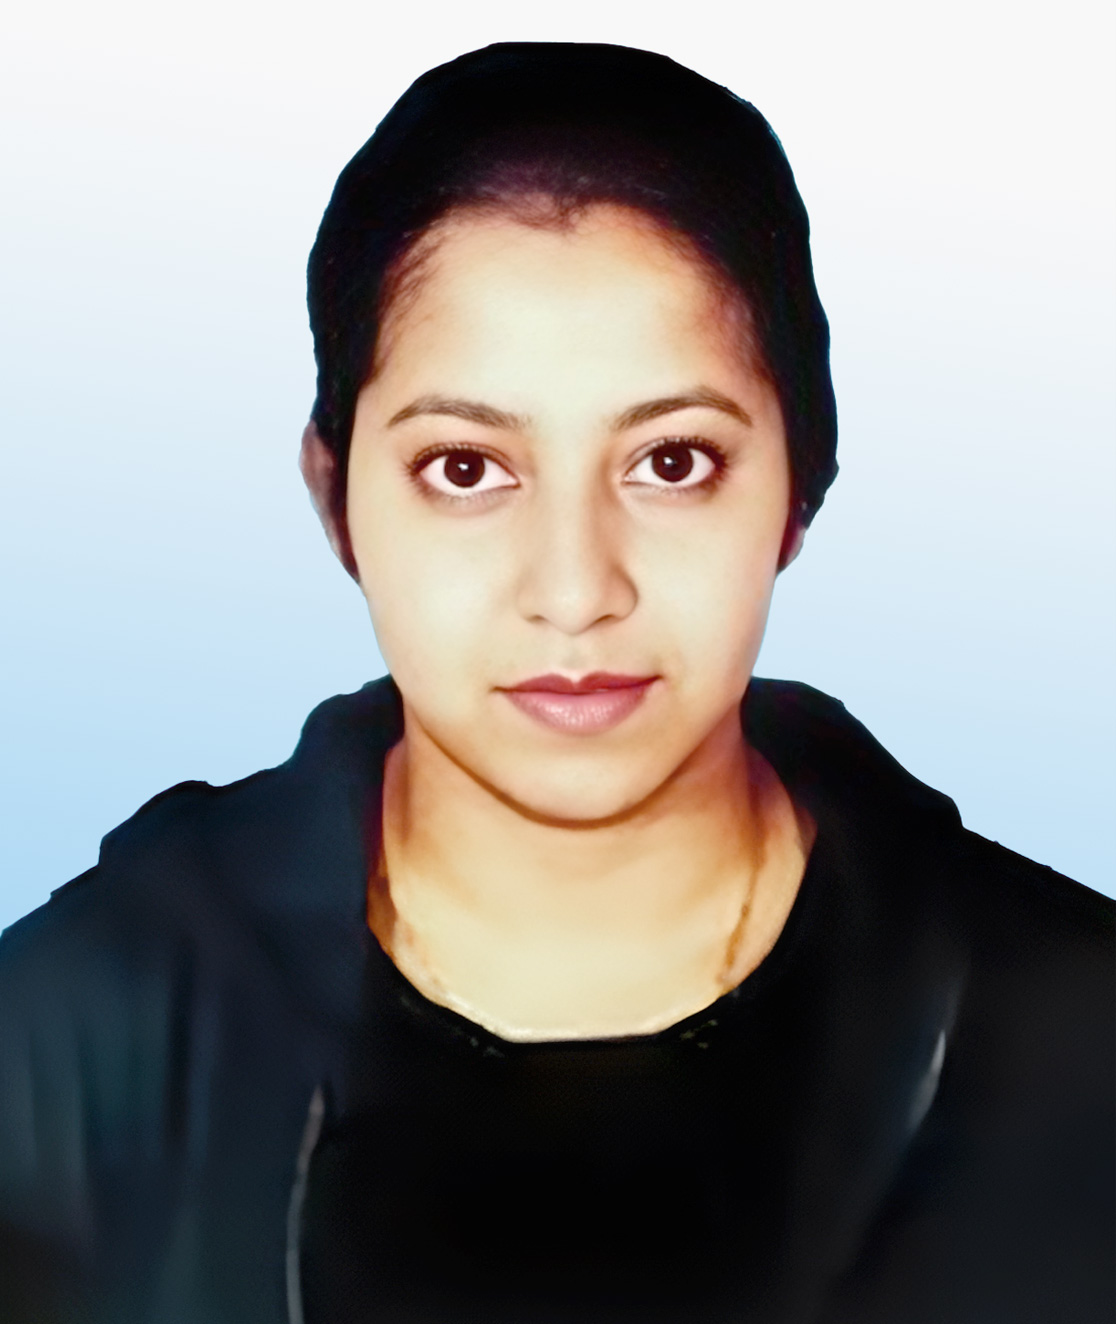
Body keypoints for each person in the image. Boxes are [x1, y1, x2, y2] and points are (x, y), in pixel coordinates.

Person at [0, 41, 1111, 1324]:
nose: (575, 590)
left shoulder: (1077, 1044)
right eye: (467, 469)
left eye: (673, 462)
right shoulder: (70, 1052)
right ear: (337, 499)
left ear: (799, 486)